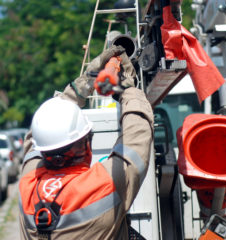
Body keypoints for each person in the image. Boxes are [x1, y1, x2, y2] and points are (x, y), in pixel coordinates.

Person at [18, 45, 154, 240]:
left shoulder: (28, 185)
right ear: (86, 146)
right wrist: (126, 88)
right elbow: (138, 131)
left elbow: (38, 135)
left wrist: (89, 79)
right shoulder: (104, 184)